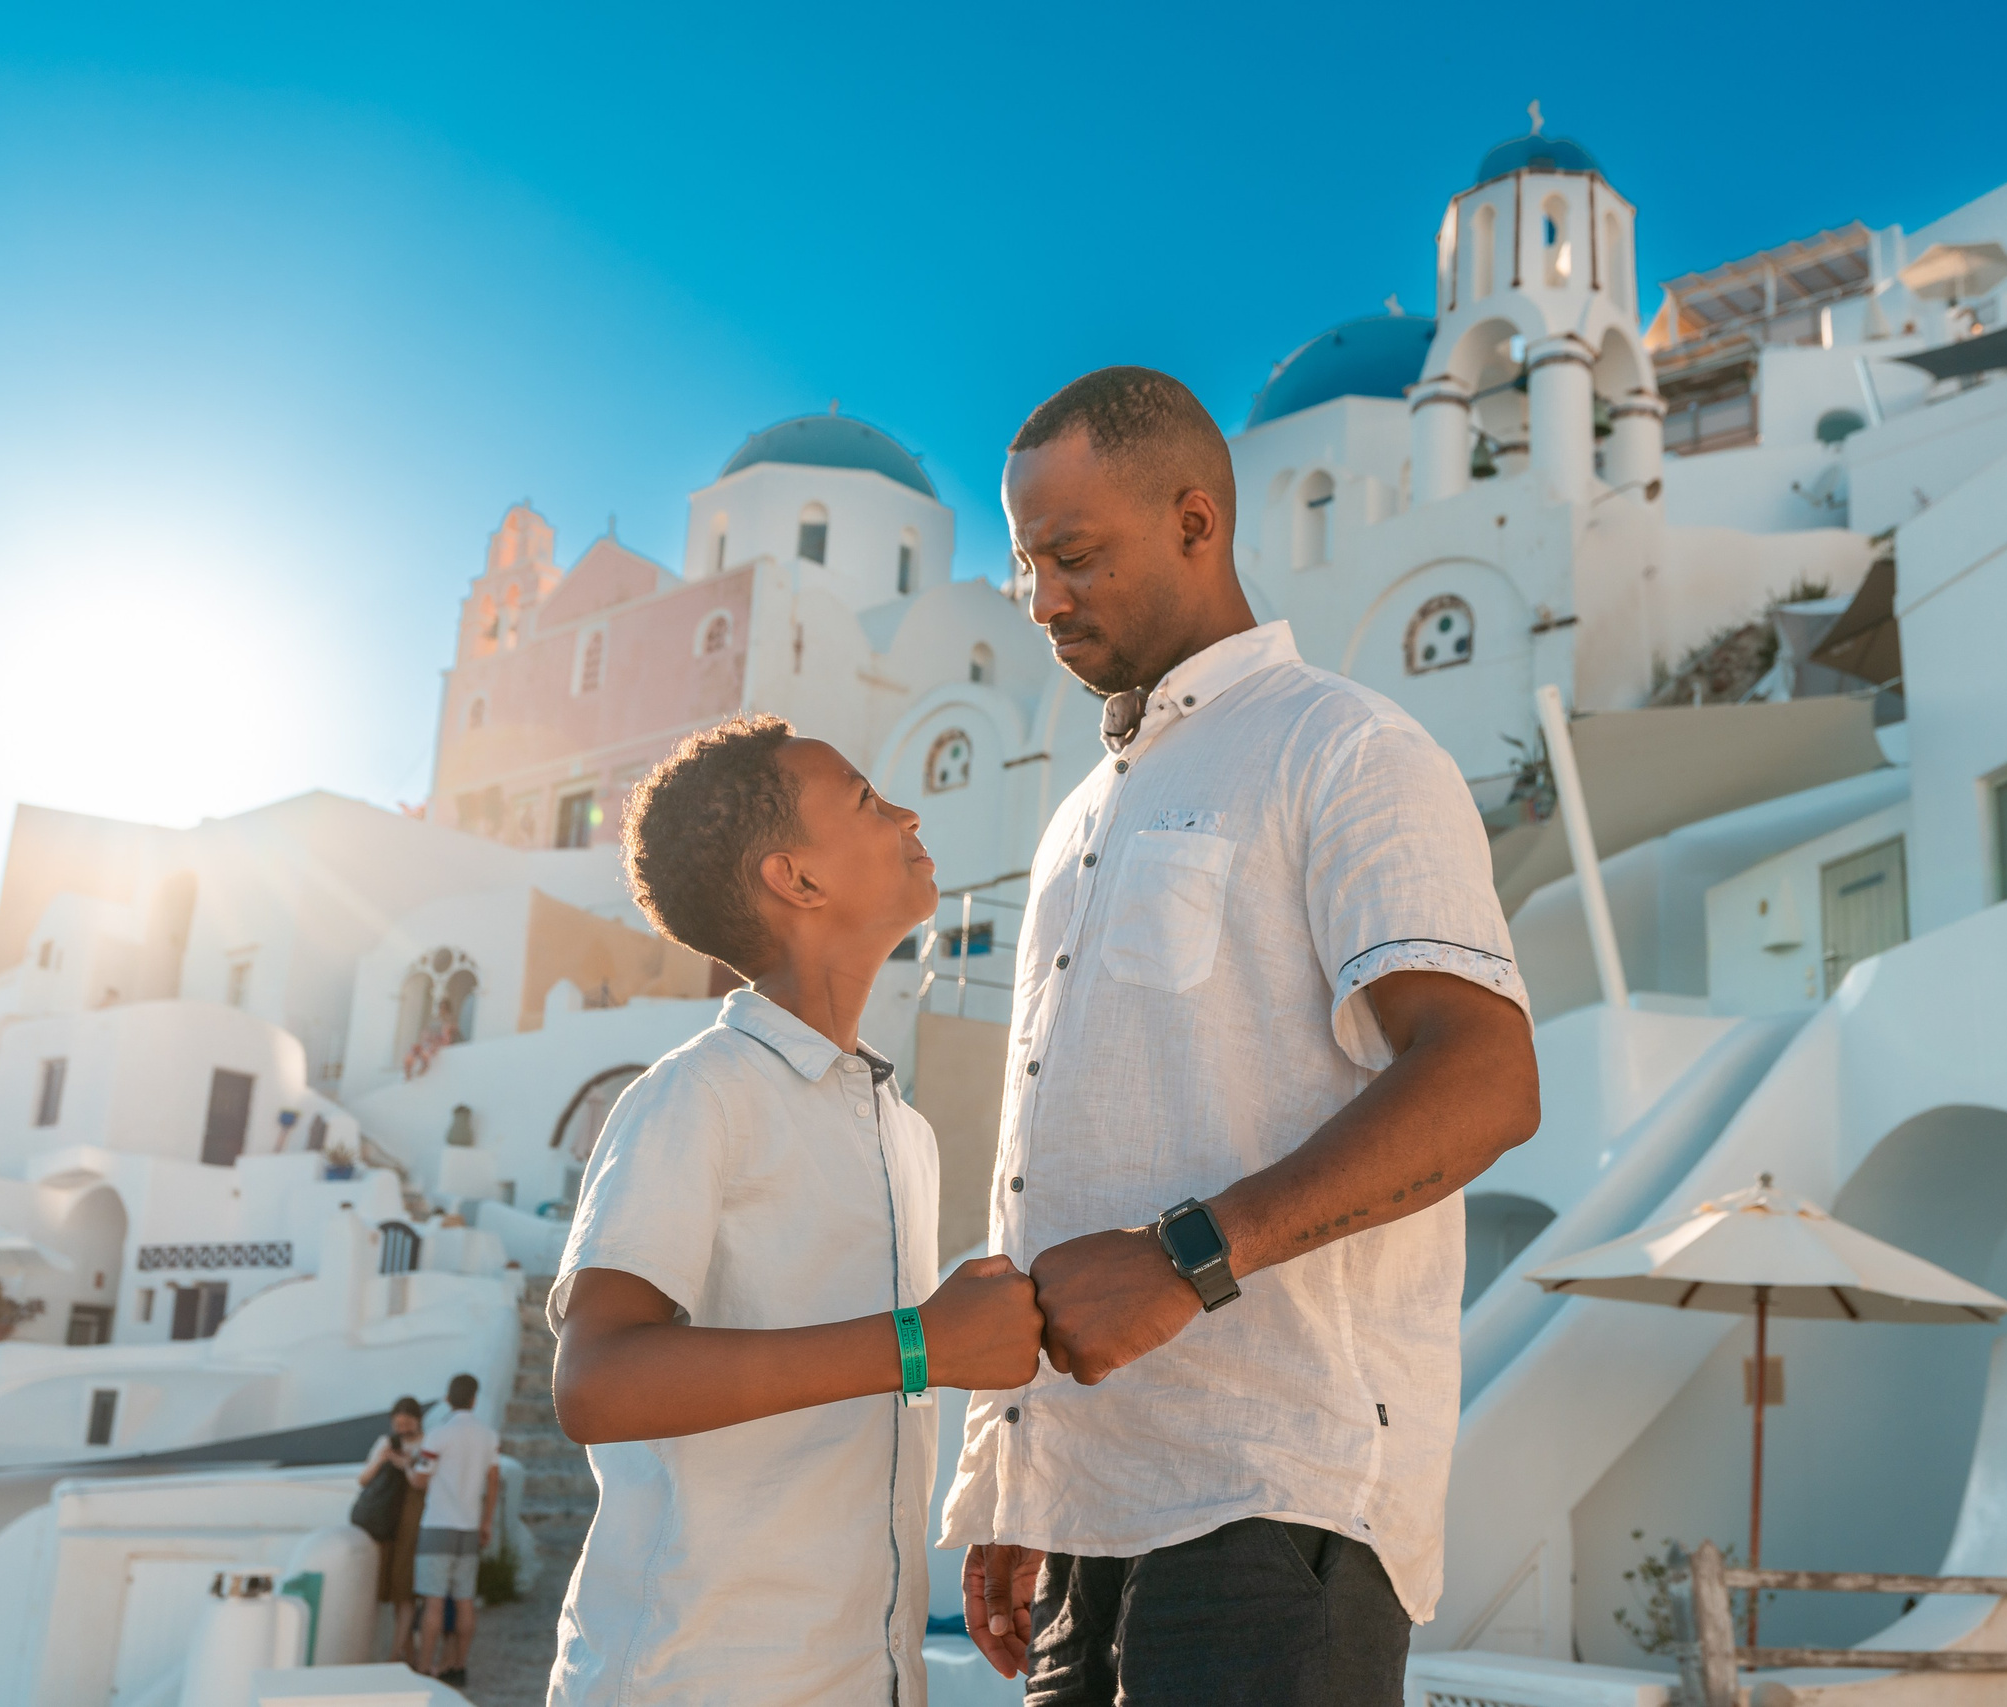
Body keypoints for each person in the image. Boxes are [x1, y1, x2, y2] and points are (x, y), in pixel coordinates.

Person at [941, 367, 1542, 1705]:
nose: (1043, 599)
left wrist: (1185, 1256)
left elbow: (1486, 1078)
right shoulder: (1077, 817)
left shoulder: (1345, 748)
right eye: (1026, 565)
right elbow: (1053, 1143)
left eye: (1076, 555)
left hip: (1273, 1509)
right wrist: (1009, 1464)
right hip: (1085, 1508)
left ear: (1198, 523)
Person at [545, 718, 1046, 1706]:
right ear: (797, 880)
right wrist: (921, 1346)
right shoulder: (699, 1093)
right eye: (865, 799)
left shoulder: (903, 1129)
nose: (906, 812)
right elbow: (596, 1380)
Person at [410, 1372, 499, 1687]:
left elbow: (420, 1478)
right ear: (474, 1399)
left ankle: (424, 1667)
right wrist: (486, 1522)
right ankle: (458, 1667)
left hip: (437, 1525)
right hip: (470, 1526)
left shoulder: (438, 1435)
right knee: (464, 1600)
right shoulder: (488, 1436)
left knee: (433, 1601)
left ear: (448, 1398)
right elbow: (493, 1480)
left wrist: (407, 1468)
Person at [356, 1396, 429, 1664]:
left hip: (411, 1526)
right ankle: (406, 1653)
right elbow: (363, 1479)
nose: (402, 1428)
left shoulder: (427, 1445)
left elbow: (420, 1483)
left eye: (407, 1422)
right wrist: (384, 1458)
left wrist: (406, 1462)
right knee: (396, 1595)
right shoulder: (386, 1443)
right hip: (387, 1524)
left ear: (417, 1420)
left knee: (405, 1592)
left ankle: (395, 1654)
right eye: (398, 1423)